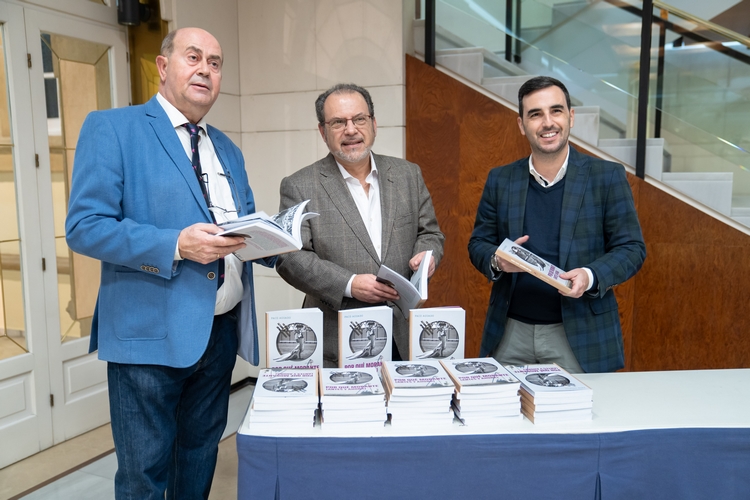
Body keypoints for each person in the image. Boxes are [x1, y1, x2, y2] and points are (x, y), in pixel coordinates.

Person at [65, 28, 273, 499]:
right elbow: (85, 226)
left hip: (220, 333)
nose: (205, 70)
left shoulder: (227, 148)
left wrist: (273, 238)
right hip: (148, 336)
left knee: (197, 463)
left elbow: (238, 225)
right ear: (162, 67)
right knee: (144, 478)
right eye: (193, 57)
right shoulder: (114, 128)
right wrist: (176, 244)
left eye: (215, 63)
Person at [468, 76, 646, 373]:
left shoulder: (607, 177)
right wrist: (497, 261)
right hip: (510, 333)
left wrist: (590, 276)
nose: (547, 122)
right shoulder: (500, 179)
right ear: (522, 125)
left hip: (580, 335)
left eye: (556, 111)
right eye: (535, 114)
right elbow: (478, 243)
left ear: (571, 117)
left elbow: (631, 248)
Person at [276, 83, 445, 366]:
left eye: (359, 119)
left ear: (374, 124)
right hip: (338, 339)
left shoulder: (408, 174)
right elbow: (290, 258)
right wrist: (349, 284)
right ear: (323, 132)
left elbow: (430, 233)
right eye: (338, 122)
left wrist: (427, 255)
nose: (351, 130)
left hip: (402, 335)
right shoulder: (299, 185)